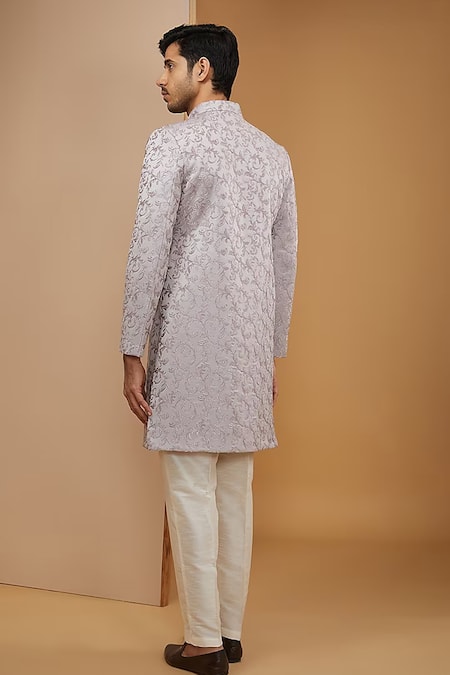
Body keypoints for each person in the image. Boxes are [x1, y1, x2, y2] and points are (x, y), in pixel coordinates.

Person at [120, 23, 297, 675]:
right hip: (248, 350)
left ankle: (202, 643)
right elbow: (283, 262)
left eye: (169, 65)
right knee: (234, 494)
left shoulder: (171, 143)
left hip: (191, 341)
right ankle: (228, 630)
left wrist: (131, 348)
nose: (161, 78)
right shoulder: (272, 153)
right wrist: (270, 353)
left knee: (191, 490)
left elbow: (148, 249)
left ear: (202, 69)